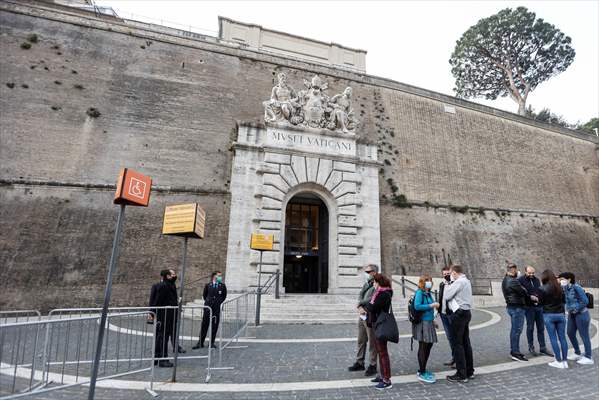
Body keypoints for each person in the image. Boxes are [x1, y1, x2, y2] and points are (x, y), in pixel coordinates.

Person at [443, 264, 474, 383]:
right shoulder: (466, 281)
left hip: (458, 314)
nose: (450, 276)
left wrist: (447, 284)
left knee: (457, 344)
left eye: (451, 274)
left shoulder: (458, 282)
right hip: (466, 313)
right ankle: (469, 371)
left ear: (454, 273)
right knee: (466, 343)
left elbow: (447, 296)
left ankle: (461, 374)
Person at [364, 273, 393, 390]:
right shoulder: (380, 293)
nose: (374, 284)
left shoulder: (383, 294)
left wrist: (369, 303)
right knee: (380, 352)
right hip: (377, 324)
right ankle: (382, 376)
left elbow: (372, 307)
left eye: (375, 282)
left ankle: (386, 380)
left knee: (383, 353)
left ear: (379, 282)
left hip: (381, 325)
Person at [348, 264, 378, 376]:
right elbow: (360, 295)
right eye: (366, 272)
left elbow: (373, 297)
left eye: (368, 272)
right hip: (362, 314)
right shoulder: (366, 283)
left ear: (374, 272)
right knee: (361, 340)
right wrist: (360, 307)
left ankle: (373, 365)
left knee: (372, 341)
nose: (367, 274)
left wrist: (361, 303)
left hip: (370, 315)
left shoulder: (378, 282)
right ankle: (360, 362)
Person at [536, 269, 569, 369]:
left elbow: (540, 303)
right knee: (563, 338)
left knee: (553, 338)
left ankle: (558, 361)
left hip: (548, 315)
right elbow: (564, 301)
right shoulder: (560, 288)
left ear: (544, 277)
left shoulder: (541, 289)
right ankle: (565, 361)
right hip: (560, 314)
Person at [559, 272, 594, 365]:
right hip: (572, 314)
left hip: (581, 314)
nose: (561, 281)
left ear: (569, 279)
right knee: (570, 333)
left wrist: (576, 308)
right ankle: (577, 352)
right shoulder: (565, 287)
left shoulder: (576, 287)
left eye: (562, 279)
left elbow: (585, 301)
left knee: (584, 335)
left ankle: (588, 356)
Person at [518, 266, 552, 357]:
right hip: (529, 308)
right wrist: (530, 297)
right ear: (525, 272)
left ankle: (543, 348)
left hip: (539, 307)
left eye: (533, 273)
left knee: (541, 328)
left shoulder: (537, 280)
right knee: (530, 328)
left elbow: (539, 290)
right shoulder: (520, 280)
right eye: (529, 273)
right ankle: (531, 347)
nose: (531, 275)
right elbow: (521, 293)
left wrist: (539, 298)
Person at [412, 274, 439, 384]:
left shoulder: (428, 293)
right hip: (422, 323)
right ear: (422, 282)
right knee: (423, 346)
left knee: (428, 345)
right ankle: (421, 371)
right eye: (427, 281)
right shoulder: (419, 292)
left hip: (429, 322)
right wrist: (431, 305)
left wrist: (433, 320)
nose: (430, 282)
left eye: (431, 281)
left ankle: (423, 369)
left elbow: (429, 310)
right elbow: (417, 306)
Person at [193, 271, 227, 349]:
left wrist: (217, 302)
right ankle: (200, 342)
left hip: (216, 308)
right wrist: (209, 302)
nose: (220, 277)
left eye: (220, 276)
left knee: (214, 325)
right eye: (219, 276)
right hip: (208, 308)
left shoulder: (222, 286)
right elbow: (205, 295)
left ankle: (211, 343)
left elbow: (224, 296)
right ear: (214, 276)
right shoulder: (208, 285)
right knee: (204, 325)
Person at [501, 264, 529, 362]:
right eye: (516, 270)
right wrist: (521, 285)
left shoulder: (506, 279)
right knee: (516, 330)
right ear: (513, 270)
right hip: (517, 308)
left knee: (515, 330)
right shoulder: (512, 281)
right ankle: (515, 352)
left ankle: (515, 351)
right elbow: (524, 292)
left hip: (512, 306)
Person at [152, 269, 179, 367]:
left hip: (169, 316)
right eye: (171, 275)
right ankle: (162, 359)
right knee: (163, 338)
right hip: (164, 316)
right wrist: (153, 313)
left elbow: (173, 281)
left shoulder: (169, 285)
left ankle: (158, 357)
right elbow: (157, 301)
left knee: (162, 337)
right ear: (167, 276)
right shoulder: (164, 286)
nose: (173, 277)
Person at [438, 265, 455, 368]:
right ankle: (454, 357)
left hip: (452, 314)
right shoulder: (441, 284)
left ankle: (459, 359)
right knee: (450, 337)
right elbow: (441, 298)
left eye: (448, 274)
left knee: (456, 337)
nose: (446, 276)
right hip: (444, 314)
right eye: (444, 274)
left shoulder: (455, 284)